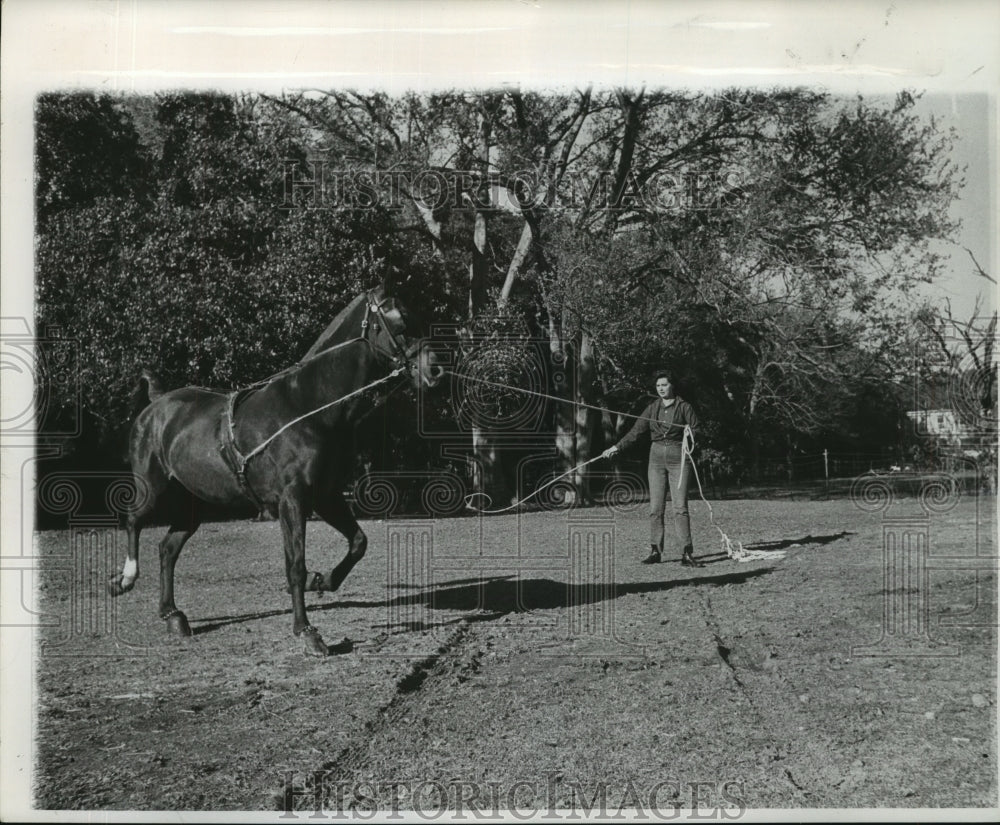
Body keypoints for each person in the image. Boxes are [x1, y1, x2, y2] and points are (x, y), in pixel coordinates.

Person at [602, 370, 703, 567]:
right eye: (658, 386)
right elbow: (636, 431)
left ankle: (686, 553)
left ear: (672, 386)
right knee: (656, 508)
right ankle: (655, 550)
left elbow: (697, 430)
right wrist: (616, 447)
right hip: (655, 458)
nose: (661, 389)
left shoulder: (684, 407)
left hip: (679, 458)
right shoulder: (652, 408)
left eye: (664, 385)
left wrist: (690, 433)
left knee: (680, 508)